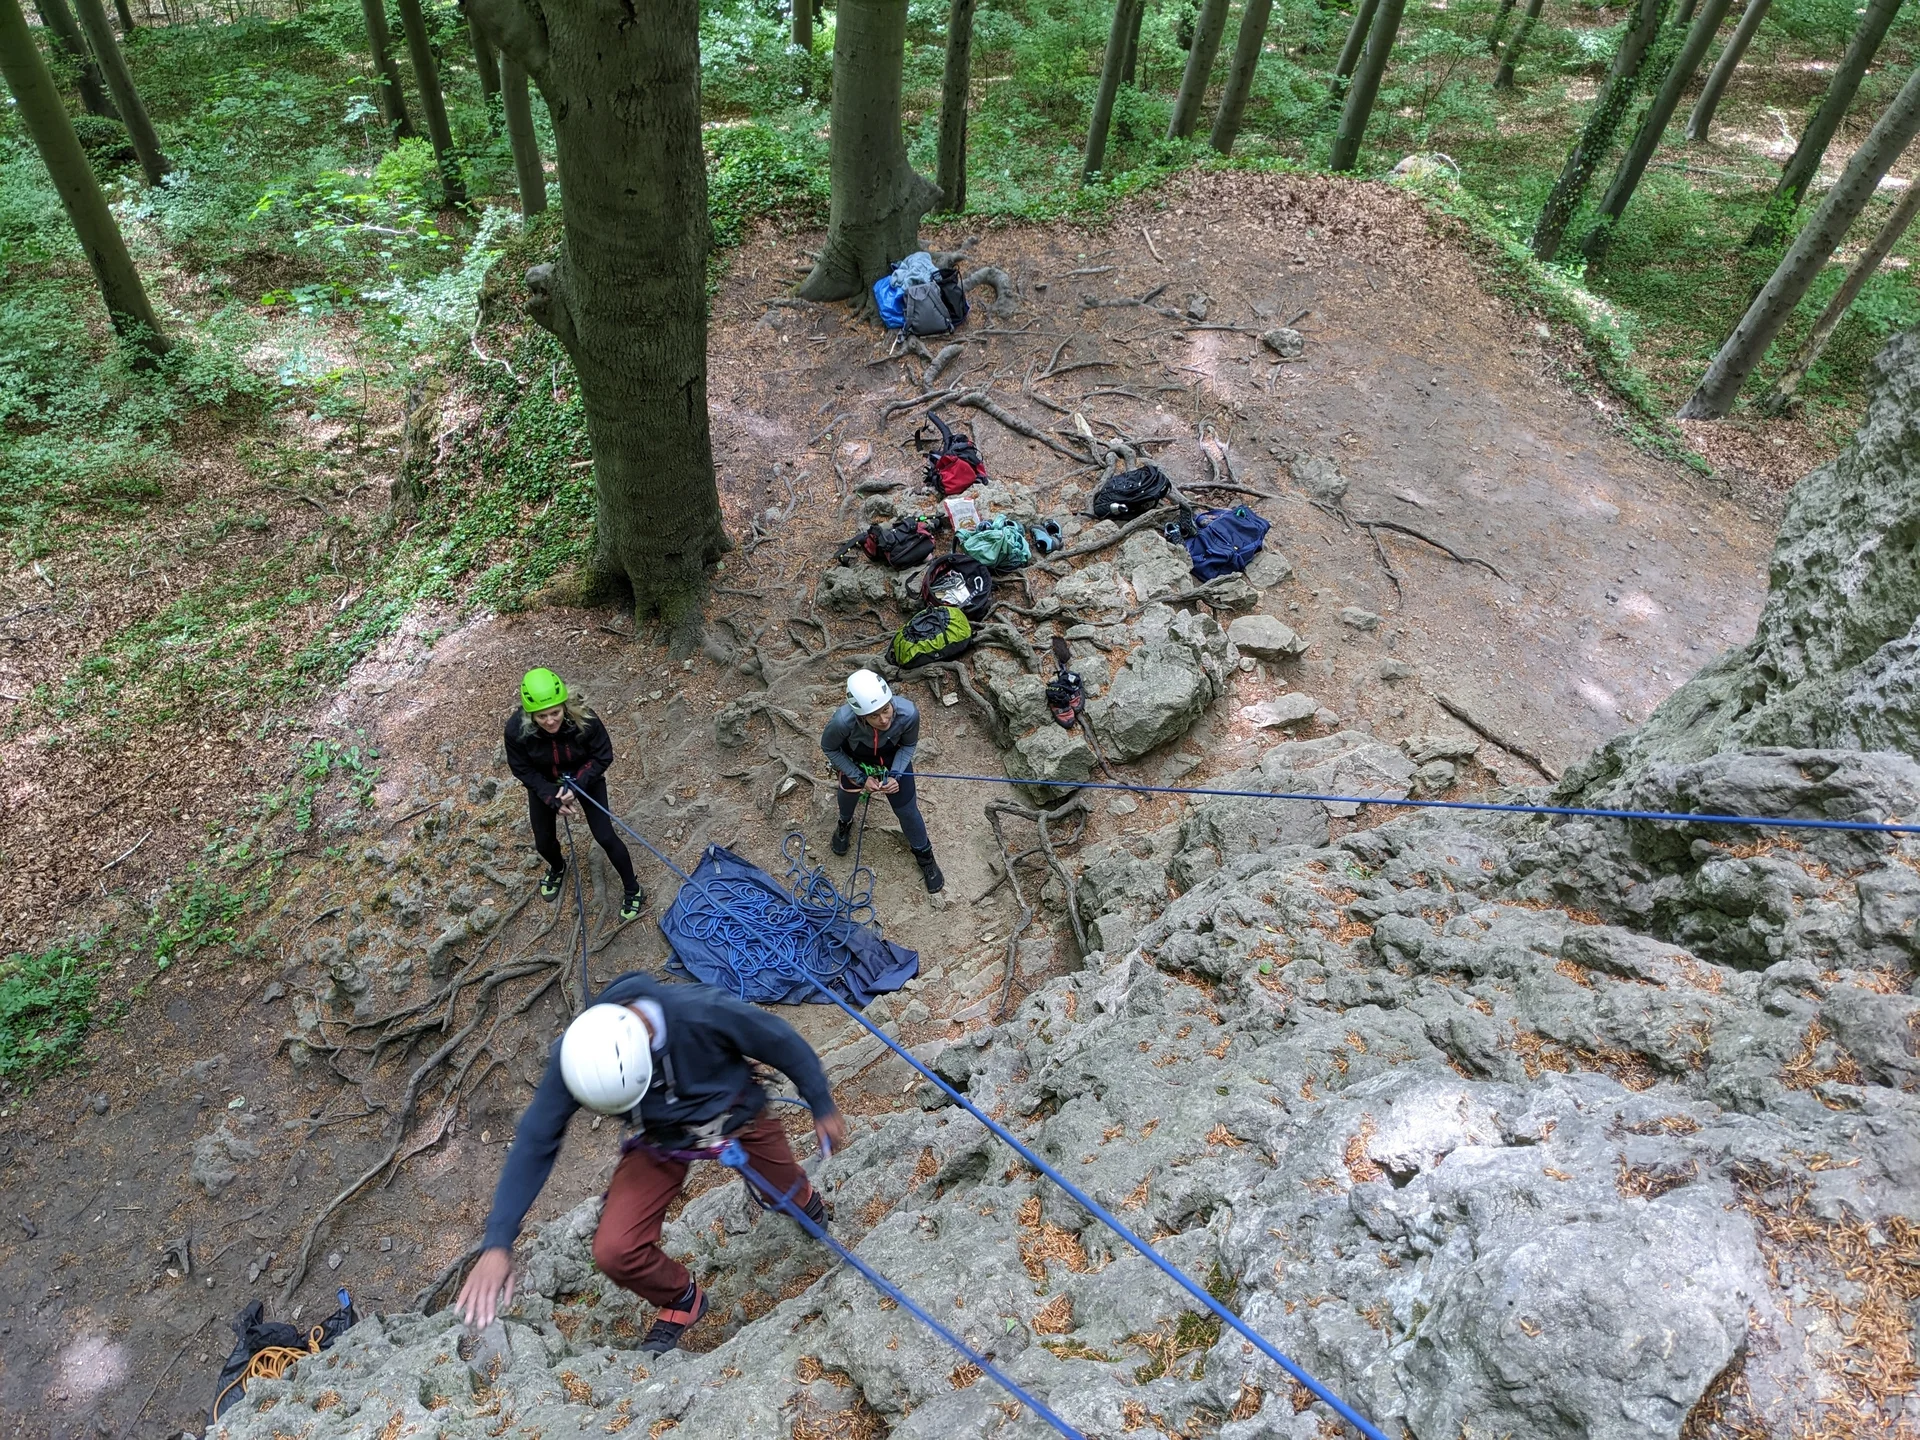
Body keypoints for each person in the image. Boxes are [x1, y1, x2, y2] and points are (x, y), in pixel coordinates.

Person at [455, 973, 848, 1353]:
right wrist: (498, 1243)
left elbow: (779, 1040)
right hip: (660, 1140)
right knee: (615, 1249)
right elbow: (535, 1141)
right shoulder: (580, 1055)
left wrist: (820, 1100)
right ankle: (681, 1298)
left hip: (735, 1113)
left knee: (785, 1190)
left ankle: (802, 1197)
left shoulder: (700, 1011)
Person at [504, 668, 645, 922]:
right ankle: (558, 867)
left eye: (555, 712)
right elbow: (521, 768)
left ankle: (633, 888)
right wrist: (551, 796)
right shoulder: (516, 730)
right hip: (545, 783)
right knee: (543, 842)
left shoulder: (585, 718)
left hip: (585, 778)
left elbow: (603, 755)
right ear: (530, 714)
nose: (549, 721)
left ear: (564, 705)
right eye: (542, 716)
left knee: (605, 836)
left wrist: (576, 784)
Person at [819, 669, 944, 893]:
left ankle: (926, 857)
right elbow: (830, 748)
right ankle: (844, 823)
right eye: (873, 716)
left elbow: (908, 745)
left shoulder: (908, 713)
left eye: (886, 710)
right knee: (848, 794)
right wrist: (859, 776)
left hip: (891, 759)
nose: (884, 719)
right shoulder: (842, 722)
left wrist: (895, 774)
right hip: (856, 761)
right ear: (861, 716)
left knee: (907, 810)